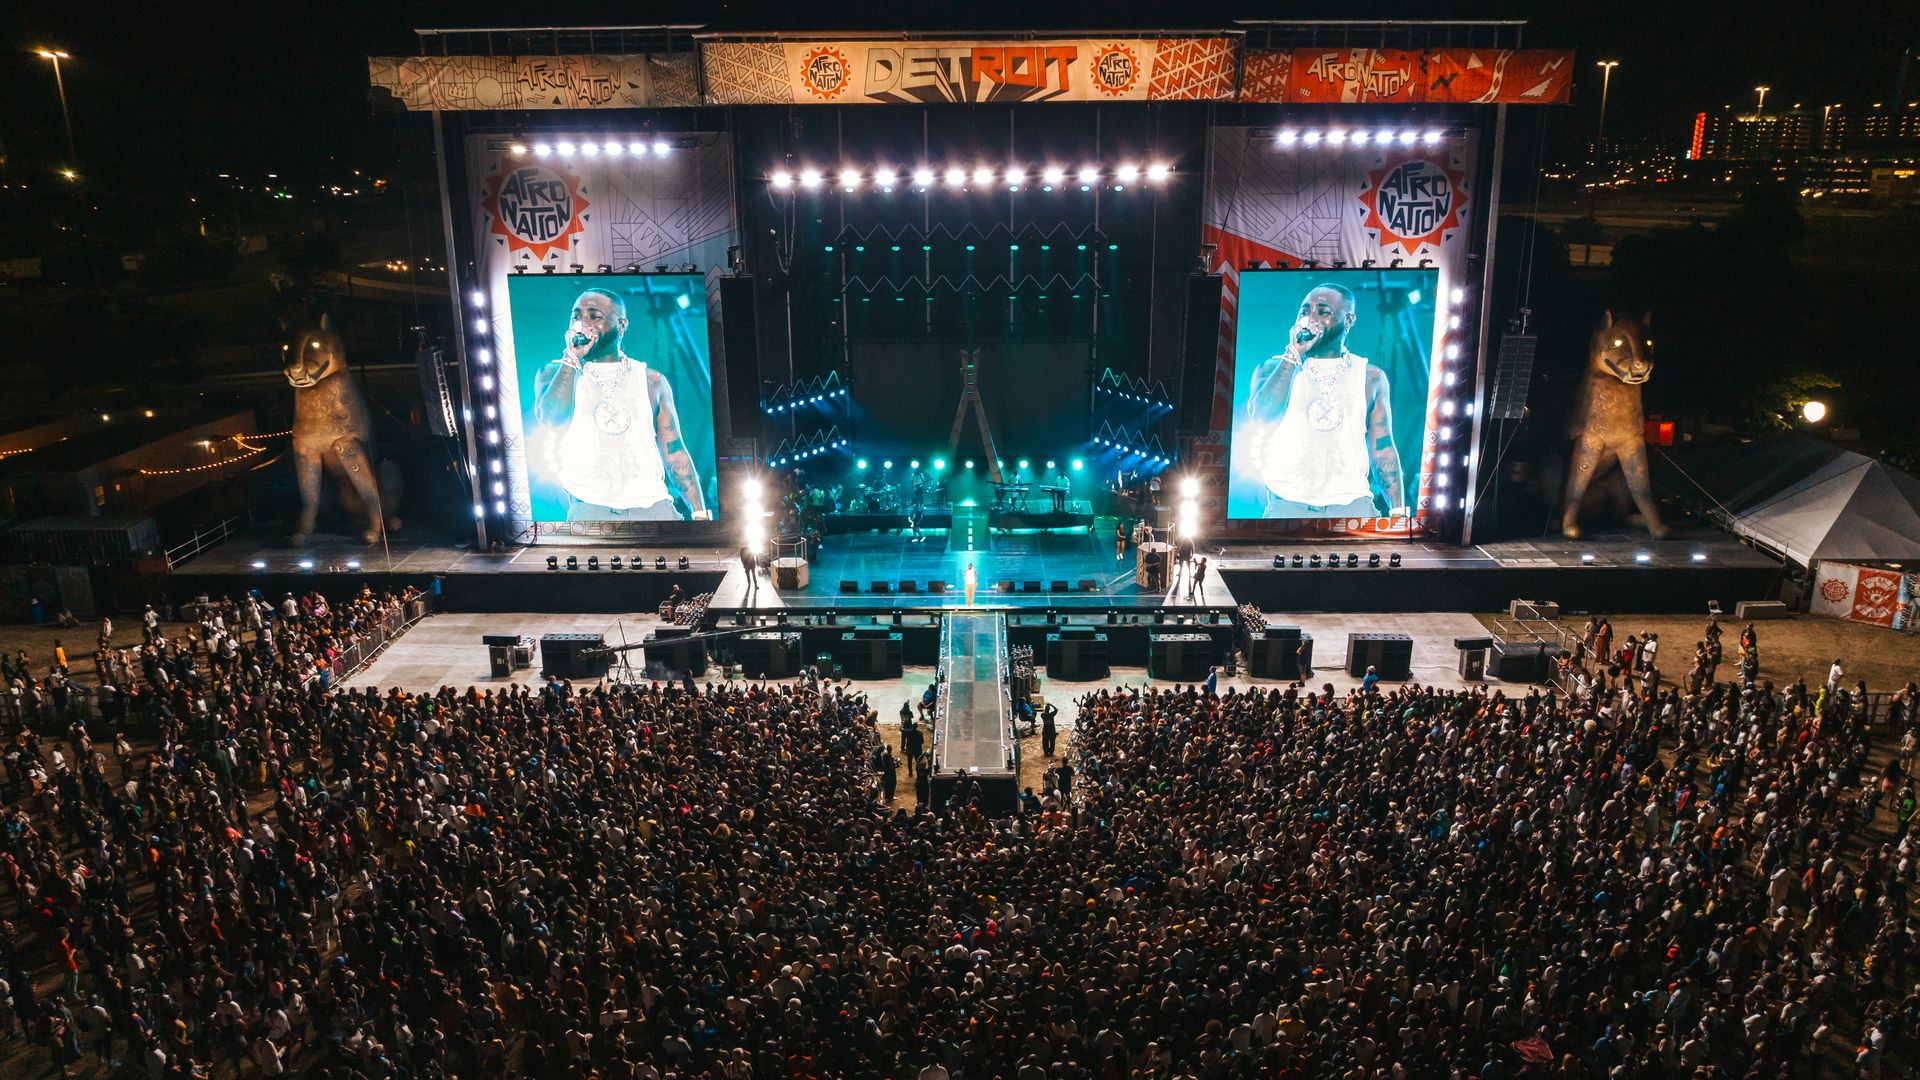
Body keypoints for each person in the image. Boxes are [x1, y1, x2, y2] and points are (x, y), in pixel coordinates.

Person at [533, 288, 712, 521]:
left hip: (653, 506)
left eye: (594, 316)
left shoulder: (651, 380)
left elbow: (675, 452)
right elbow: (551, 418)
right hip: (591, 508)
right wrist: (572, 358)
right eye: (576, 316)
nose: (583, 323)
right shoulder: (554, 373)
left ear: (621, 324)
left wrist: (699, 513)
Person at [1244, 282, 1407, 518]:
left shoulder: (1370, 377)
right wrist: (1293, 355)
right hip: (1289, 504)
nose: (1312, 317)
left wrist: (1398, 511)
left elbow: (1382, 449)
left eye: (1323, 311)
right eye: (1305, 311)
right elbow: (1261, 416)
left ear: (1349, 321)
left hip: (1352, 504)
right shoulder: (1273, 368)